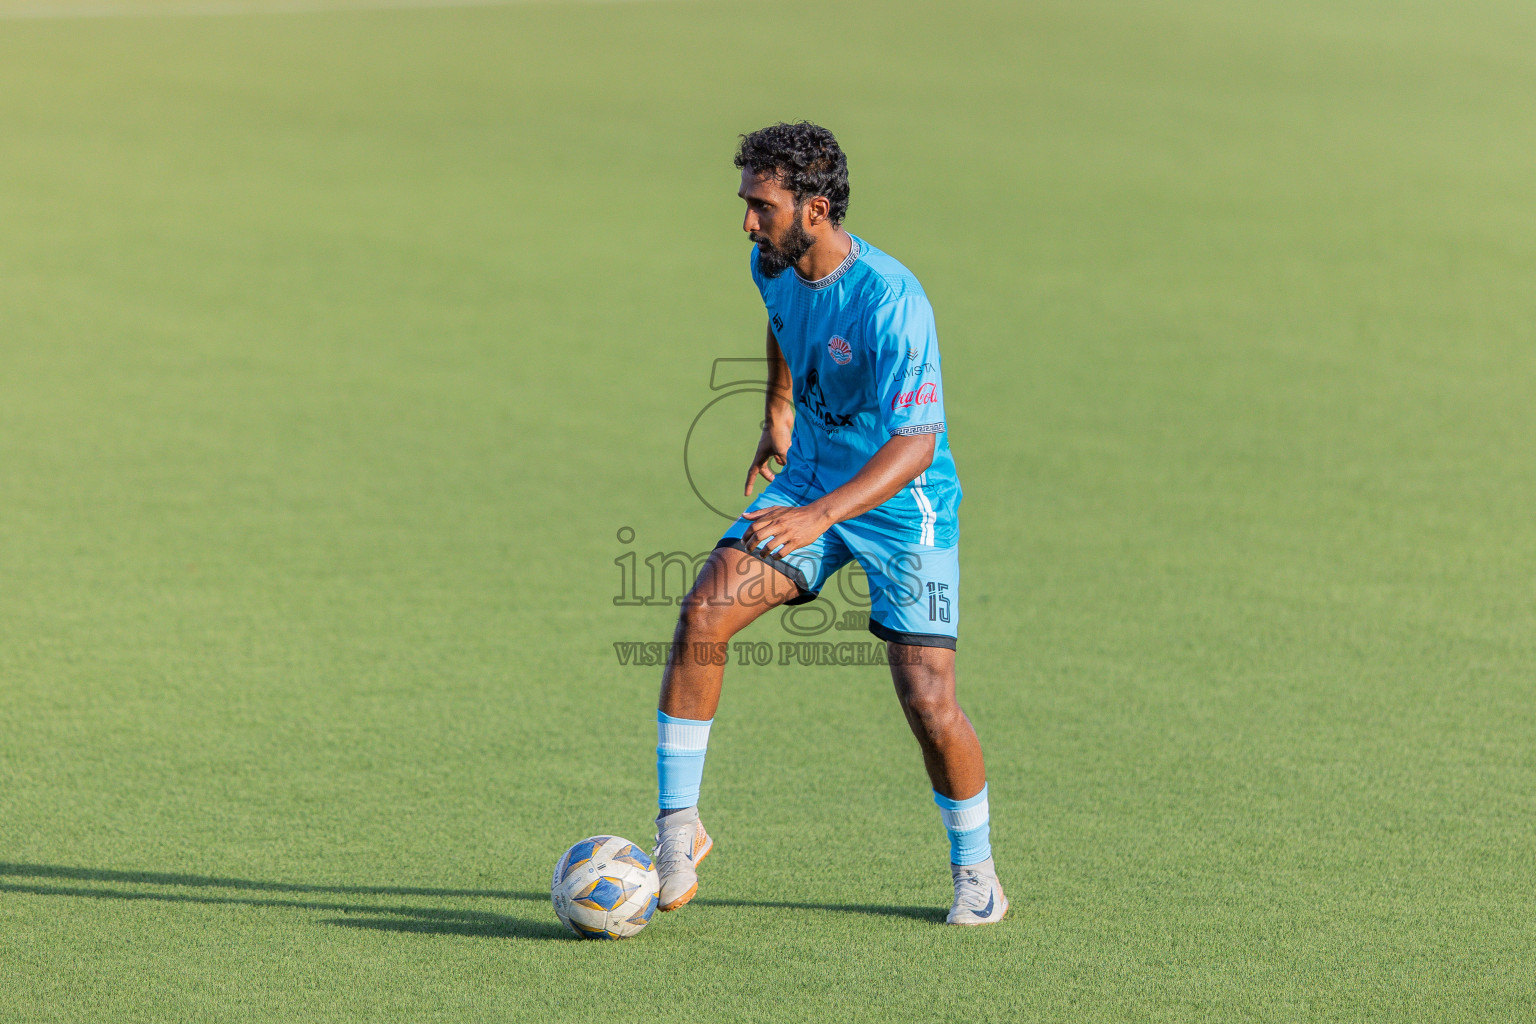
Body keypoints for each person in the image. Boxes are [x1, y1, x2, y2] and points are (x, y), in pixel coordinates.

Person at [651, 122, 1006, 925]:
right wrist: (777, 412)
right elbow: (782, 326)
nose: (746, 223)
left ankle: (977, 874)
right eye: (745, 203)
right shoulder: (770, 264)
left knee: (927, 700)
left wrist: (819, 515)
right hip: (810, 478)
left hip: (901, 507)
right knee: (703, 612)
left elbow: (918, 444)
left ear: (815, 208)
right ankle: (679, 828)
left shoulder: (892, 297)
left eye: (761, 206)